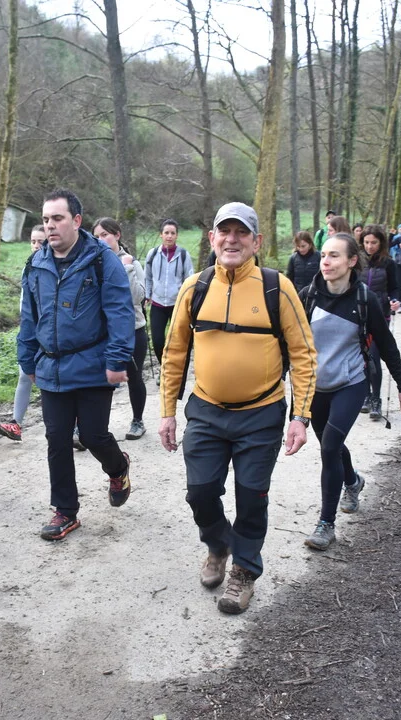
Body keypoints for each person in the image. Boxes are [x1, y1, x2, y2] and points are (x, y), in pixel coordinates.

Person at [158, 202, 317, 615]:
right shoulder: (195, 288)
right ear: (212, 238)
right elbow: (174, 353)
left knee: (251, 496)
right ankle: (218, 545)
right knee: (200, 492)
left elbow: (303, 353)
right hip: (207, 410)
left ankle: (245, 570)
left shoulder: (277, 288)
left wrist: (300, 416)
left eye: (241, 232)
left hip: (261, 412)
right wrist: (167, 411)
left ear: (256, 241)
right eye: (224, 231)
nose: (232, 239)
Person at [18, 189, 135, 541]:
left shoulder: (101, 260)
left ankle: (118, 467)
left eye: (58, 218)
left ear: (77, 221)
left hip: (93, 365)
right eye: (46, 219)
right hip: (51, 367)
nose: (50, 226)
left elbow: (120, 312)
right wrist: (27, 357)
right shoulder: (36, 263)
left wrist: (117, 360)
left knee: (92, 435)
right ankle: (65, 511)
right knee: (57, 439)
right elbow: (30, 316)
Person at [299, 233, 401, 551]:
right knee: (331, 446)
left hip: (350, 383)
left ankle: (326, 524)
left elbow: (386, 345)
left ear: (351, 261)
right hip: (315, 387)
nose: (326, 261)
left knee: (329, 447)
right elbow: (288, 343)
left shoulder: (365, 299)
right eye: (324, 255)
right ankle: (353, 480)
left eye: (334, 255)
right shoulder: (308, 296)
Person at [93, 217, 148, 440]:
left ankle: (138, 421)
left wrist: (126, 268)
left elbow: (137, 297)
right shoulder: (93, 264)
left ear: (117, 235)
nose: (101, 240)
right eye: (96, 236)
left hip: (133, 330)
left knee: (134, 377)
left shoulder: (133, 263)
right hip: (102, 333)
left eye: (105, 235)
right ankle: (93, 426)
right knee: (99, 380)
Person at [0, 225, 47, 441]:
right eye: (33, 241)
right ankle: (16, 424)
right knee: (25, 375)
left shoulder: (53, 268)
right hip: (29, 331)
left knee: (53, 381)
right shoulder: (28, 267)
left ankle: (74, 426)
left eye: (41, 242)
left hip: (50, 333)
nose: (36, 246)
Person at [360, 226, 401, 420]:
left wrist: (395, 300)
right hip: (359, 315)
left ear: (381, 243)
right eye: (366, 242)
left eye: (374, 242)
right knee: (362, 359)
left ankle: (376, 399)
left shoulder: (388, 263)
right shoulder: (356, 261)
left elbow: (394, 287)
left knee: (374, 358)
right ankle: (366, 395)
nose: (370, 246)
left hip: (380, 315)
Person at [144, 219, 194, 367]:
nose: (169, 236)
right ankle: (164, 368)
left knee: (179, 340)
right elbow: (148, 277)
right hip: (157, 304)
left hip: (177, 305)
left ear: (177, 235)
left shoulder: (183, 255)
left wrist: (188, 300)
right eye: (166, 233)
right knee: (158, 341)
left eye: (173, 233)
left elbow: (189, 279)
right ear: (161, 234)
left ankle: (177, 367)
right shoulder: (153, 254)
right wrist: (147, 295)